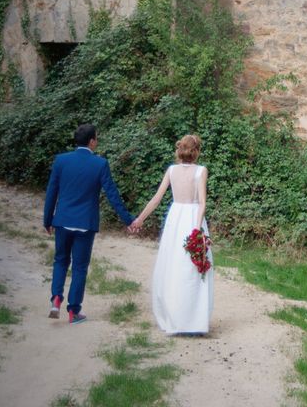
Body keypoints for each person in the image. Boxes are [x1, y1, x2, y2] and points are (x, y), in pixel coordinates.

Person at [44, 124, 136, 324]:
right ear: (92, 141)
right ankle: (74, 311)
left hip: (62, 221)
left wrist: (47, 220)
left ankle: (56, 298)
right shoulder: (100, 164)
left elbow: (52, 192)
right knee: (79, 267)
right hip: (85, 223)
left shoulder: (61, 160)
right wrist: (129, 220)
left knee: (60, 260)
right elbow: (112, 194)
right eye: (97, 138)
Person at [131, 134, 214, 335]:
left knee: (174, 266)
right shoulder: (201, 171)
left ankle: (176, 317)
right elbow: (202, 202)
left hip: (176, 220)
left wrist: (139, 219)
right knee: (193, 268)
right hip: (192, 216)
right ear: (197, 152)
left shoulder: (171, 170)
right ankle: (193, 321)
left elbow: (156, 199)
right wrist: (197, 229)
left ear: (180, 150)